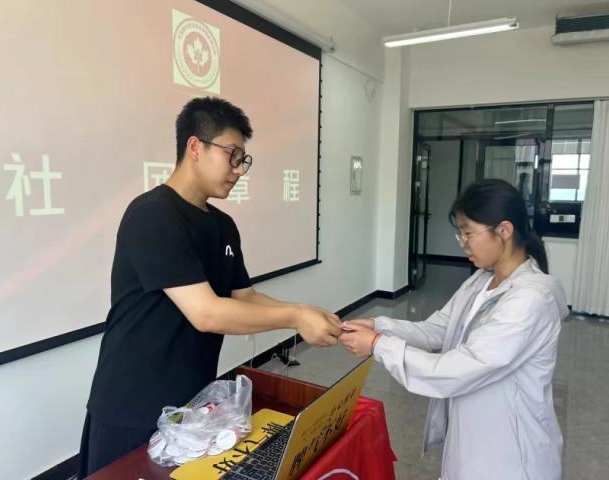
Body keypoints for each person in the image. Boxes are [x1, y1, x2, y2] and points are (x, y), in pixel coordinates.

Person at [79, 97, 341, 477]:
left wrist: (306, 312)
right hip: (132, 404)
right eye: (232, 155)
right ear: (195, 147)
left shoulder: (222, 226)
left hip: (192, 403)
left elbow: (245, 297)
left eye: (243, 160)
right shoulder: (153, 215)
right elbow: (205, 312)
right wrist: (296, 317)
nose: (238, 170)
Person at [340, 179, 567, 480]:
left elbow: (457, 369)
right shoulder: (481, 280)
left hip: (511, 453)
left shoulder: (531, 299)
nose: (463, 243)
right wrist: (378, 325)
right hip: (473, 437)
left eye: (468, 233)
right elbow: (438, 329)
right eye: (460, 233)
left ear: (504, 230)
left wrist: (378, 345)